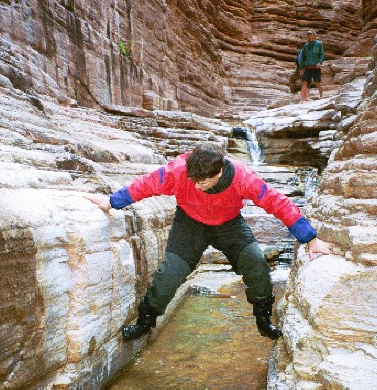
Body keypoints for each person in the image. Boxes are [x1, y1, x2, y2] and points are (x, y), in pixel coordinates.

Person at [84, 144, 333, 342]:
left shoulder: (243, 177)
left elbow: (277, 202)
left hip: (229, 224)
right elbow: (146, 184)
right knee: (168, 275)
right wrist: (111, 201)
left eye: (202, 182)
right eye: (192, 180)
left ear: (219, 172)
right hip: (190, 224)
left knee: (256, 264)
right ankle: (144, 322)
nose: (195, 186)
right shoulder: (179, 170)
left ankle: (263, 319)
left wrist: (309, 237)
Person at [298, 30, 324, 102]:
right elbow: (303, 57)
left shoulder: (319, 44)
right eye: (309, 35)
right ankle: (303, 99)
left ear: (314, 35)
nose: (310, 36)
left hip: (316, 67)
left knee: (317, 82)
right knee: (304, 82)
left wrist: (320, 62)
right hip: (307, 67)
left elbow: (321, 54)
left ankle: (321, 95)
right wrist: (301, 68)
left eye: (311, 34)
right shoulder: (306, 46)